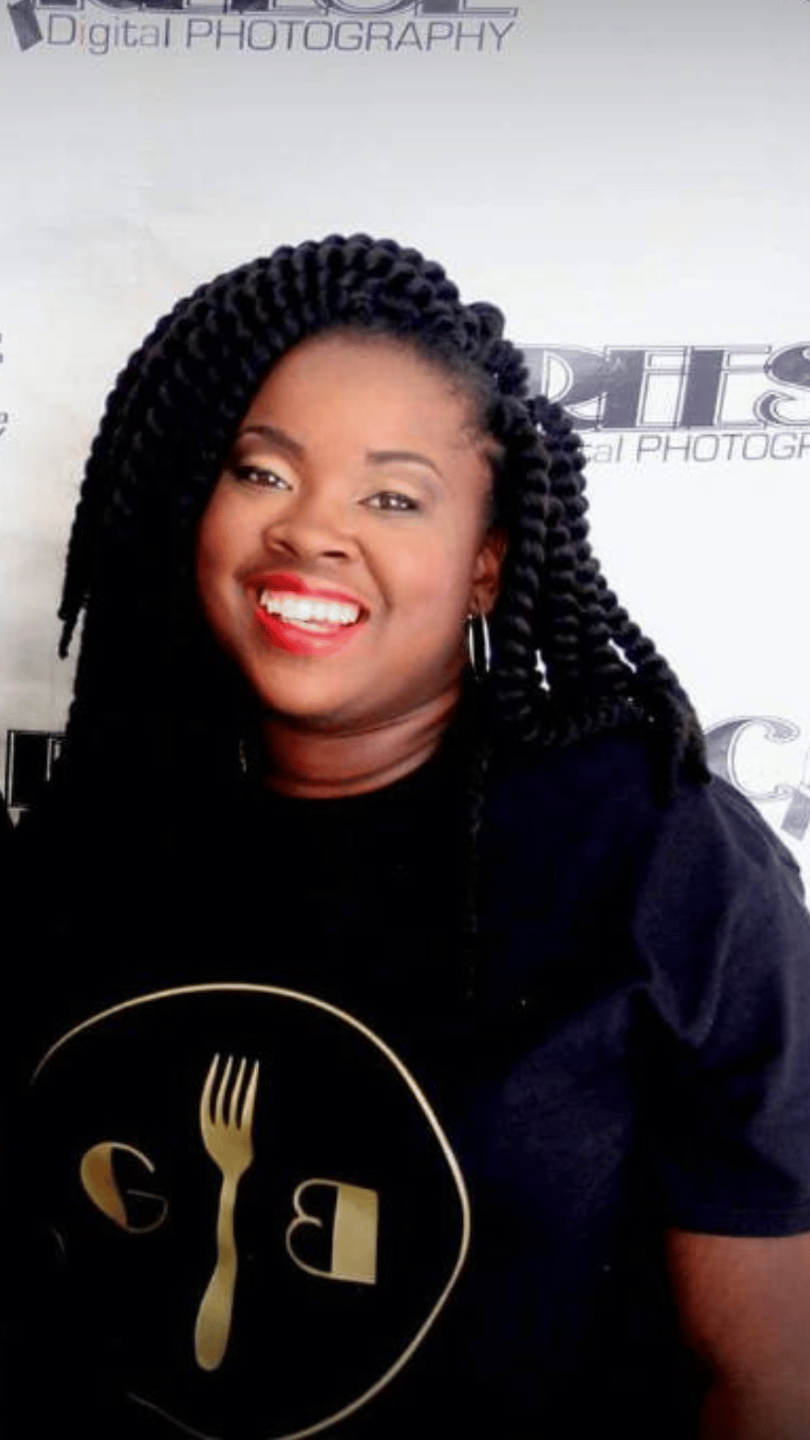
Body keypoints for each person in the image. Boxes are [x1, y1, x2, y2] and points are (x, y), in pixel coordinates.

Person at [4, 233, 810, 1440]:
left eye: (392, 497)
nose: (312, 532)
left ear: (487, 565)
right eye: (261, 472)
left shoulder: (651, 851)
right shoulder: (94, 831)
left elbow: (770, 1380)